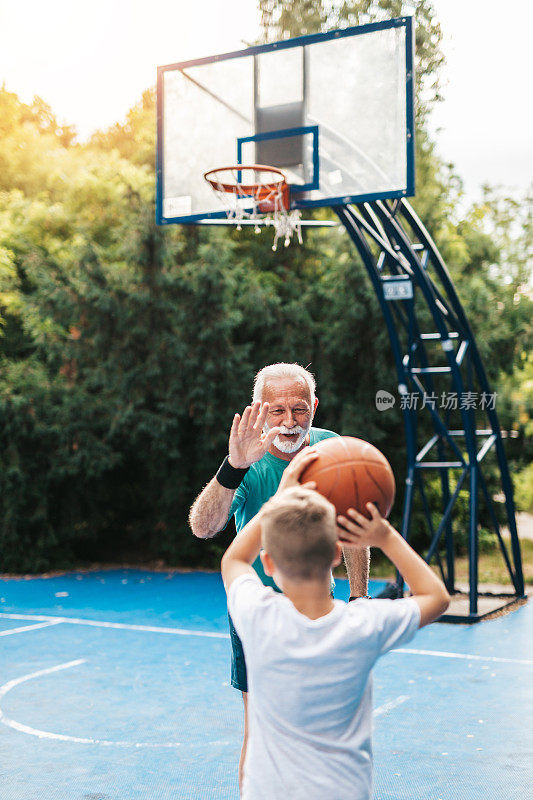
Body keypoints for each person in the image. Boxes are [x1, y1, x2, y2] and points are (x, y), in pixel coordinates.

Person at [221, 447, 450, 800]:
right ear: (336, 554)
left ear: (266, 563)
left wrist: (279, 499)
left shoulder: (258, 616)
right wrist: (385, 536)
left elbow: (234, 559)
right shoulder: (362, 625)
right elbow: (437, 598)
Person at [189, 363, 369, 786]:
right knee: (262, 730)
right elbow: (202, 526)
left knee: (324, 728)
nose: (290, 421)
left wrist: (359, 598)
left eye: (300, 409)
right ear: (258, 410)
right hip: (260, 614)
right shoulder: (246, 464)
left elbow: (353, 527)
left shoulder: (331, 449)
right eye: (277, 411)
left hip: (317, 611)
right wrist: (233, 466)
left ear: (315, 407)